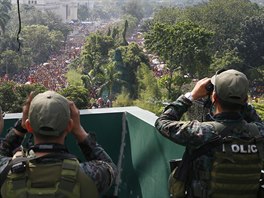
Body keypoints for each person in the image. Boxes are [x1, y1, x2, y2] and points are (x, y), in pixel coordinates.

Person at [155, 69, 264, 198]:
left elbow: (162, 123)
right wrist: (240, 100)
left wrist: (190, 96)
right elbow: (257, 121)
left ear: (214, 97)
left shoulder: (202, 132)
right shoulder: (258, 133)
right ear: (245, 99)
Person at [0, 91, 117, 197]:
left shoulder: (5, 170)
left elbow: (2, 151)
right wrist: (79, 131)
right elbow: (110, 167)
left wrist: (20, 127)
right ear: (70, 126)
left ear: (29, 126)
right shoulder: (88, 175)